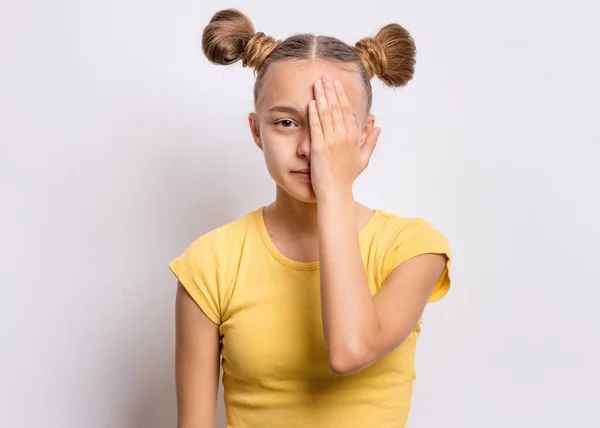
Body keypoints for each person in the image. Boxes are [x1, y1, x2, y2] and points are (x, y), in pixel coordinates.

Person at [169, 8, 452, 428]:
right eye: (287, 122)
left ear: (364, 134)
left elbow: (349, 350)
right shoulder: (210, 263)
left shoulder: (412, 249)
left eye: (331, 124)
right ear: (255, 131)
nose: (310, 147)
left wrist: (336, 186)